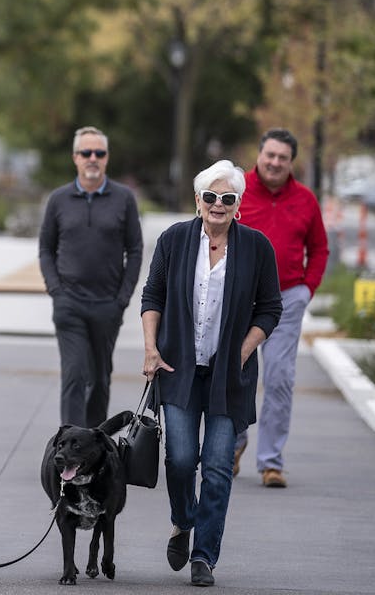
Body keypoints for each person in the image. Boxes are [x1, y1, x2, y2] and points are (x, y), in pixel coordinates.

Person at [140, 159, 282, 588]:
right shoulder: (174, 240)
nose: (218, 205)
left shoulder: (257, 247)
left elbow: (271, 308)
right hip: (178, 368)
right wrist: (150, 348)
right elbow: (153, 295)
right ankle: (183, 520)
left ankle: (204, 556)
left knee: (218, 467)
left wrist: (242, 350)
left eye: (228, 198)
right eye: (211, 197)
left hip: (229, 377)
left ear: (238, 205)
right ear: (198, 201)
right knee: (181, 461)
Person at [232, 128, 329, 488]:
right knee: (235, 374)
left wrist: (307, 289)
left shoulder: (305, 200)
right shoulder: (236, 188)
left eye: (282, 158)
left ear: (291, 162)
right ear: (259, 155)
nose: (275, 162)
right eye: (269, 155)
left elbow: (319, 248)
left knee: (279, 379)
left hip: (287, 298)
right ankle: (233, 445)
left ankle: (271, 462)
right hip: (240, 299)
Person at [38, 126, 144, 428]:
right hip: (69, 303)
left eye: (99, 153)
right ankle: (70, 448)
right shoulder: (58, 200)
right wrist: (56, 291)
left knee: (99, 380)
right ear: (75, 158)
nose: (93, 158)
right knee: (74, 375)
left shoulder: (124, 198)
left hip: (107, 306)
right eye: (86, 153)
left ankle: (94, 446)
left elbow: (135, 250)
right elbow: (45, 249)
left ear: (107, 158)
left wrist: (122, 299)